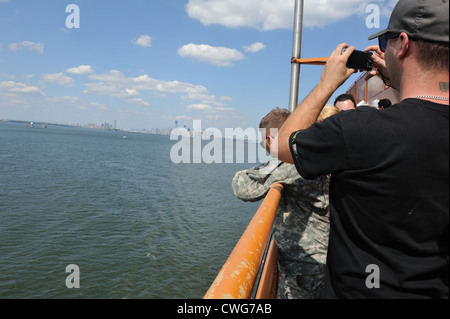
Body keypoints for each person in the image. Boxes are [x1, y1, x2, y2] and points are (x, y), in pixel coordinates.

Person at [273, 0, 449, 299]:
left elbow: (284, 144)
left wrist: (325, 84)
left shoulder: (359, 130)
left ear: (403, 44)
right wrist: (395, 75)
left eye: (386, 41)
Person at [232, 107, 333, 299]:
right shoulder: (314, 155)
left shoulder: (290, 163)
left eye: (264, 142)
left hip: (305, 269)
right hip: (324, 262)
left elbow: (242, 187)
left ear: (270, 139)